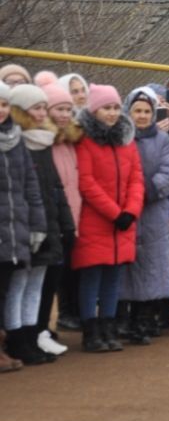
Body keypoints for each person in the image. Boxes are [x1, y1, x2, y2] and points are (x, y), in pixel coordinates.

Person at [74, 84, 145, 351]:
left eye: (116, 107)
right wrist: (115, 213)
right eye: (106, 107)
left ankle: (108, 325)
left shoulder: (126, 140)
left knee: (113, 277)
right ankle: (91, 330)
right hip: (96, 220)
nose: (113, 113)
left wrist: (130, 211)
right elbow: (86, 182)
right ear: (94, 110)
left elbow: (137, 178)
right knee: (92, 276)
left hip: (123, 222)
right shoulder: (85, 140)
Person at [6, 85, 73, 364]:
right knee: (18, 285)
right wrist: (33, 225)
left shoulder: (44, 143)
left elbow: (54, 188)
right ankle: (17, 339)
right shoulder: (17, 143)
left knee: (35, 285)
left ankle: (33, 336)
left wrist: (65, 223)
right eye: (36, 108)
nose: (42, 113)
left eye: (44, 108)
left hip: (48, 226)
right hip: (25, 227)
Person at [119, 88, 169, 344]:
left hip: (153, 211)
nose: (142, 116)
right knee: (125, 267)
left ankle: (144, 319)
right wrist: (128, 195)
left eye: (146, 112)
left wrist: (144, 190)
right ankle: (124, 320)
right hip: (123, 211)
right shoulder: (119, 138)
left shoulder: (162, 139)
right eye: (137, 111)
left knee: (152, 266)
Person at [0, 82, 45, 371]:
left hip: (13, 232)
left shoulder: (16, 140)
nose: (1, 110)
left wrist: (37, 225)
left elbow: (30, 185)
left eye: (4, 104)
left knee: (3, 292)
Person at [41, 82, 84, 339]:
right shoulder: (43, 142)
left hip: (73, 214)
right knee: (51, 275)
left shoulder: (71, 141)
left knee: (71, 268)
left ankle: (70, 313)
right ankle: (46, 324)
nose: (65, 114)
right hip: (53, 217)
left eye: (68, 109)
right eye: (59, 109)